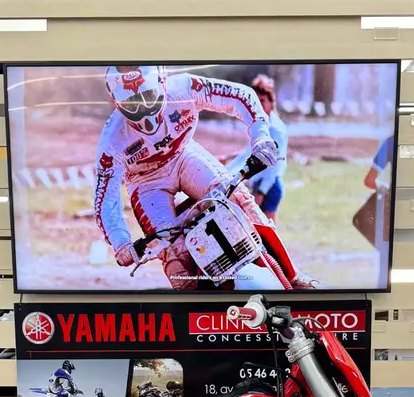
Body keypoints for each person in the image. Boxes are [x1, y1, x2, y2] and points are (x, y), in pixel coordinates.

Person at [93, 65, 311, 290]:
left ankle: (292, 276)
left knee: (239, 200)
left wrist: (261, 137)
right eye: (131, 104)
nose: (143, 110)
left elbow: (241, 96)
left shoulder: (184, 87)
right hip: (146, 182)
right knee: (171, 251)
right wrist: (121, 243)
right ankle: (195, 304)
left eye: (148, 97)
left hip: (184, 154)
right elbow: (105, 198)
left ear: (163, 83)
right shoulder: (111, 140)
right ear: (116, 102)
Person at [230, 75, 288, 221]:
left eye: (262, 101)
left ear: (271, 102)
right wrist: (227, 166)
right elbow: (249, 154)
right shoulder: (262, 126)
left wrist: (261, 193)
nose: (259, 106)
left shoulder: (275, 129)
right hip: (259, 185)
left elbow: (273, 165)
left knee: (267, 232)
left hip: (268, 187)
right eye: (256, 101)